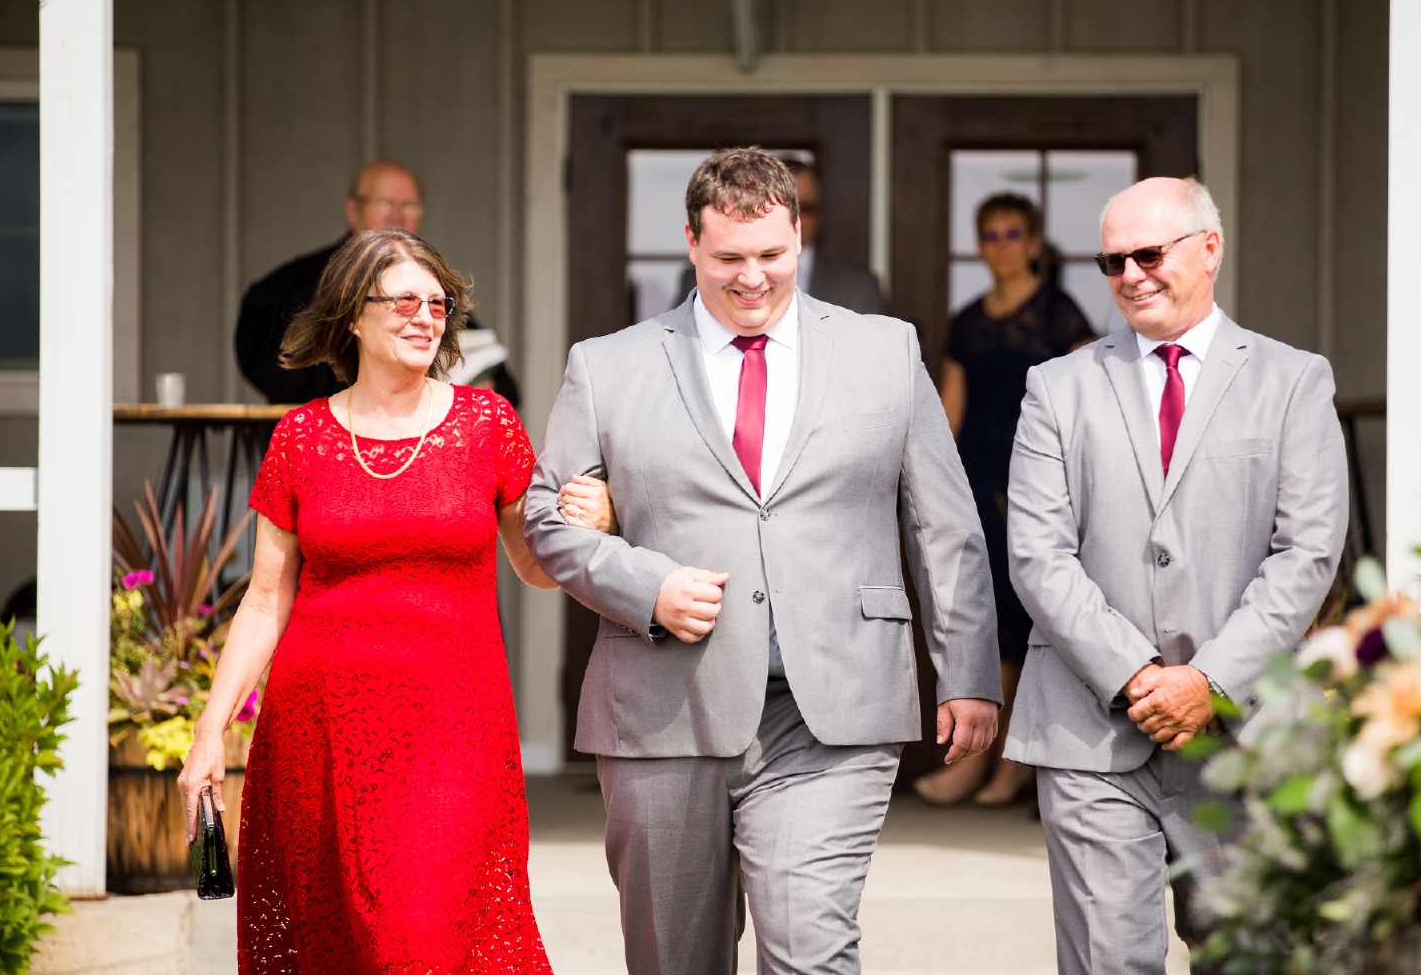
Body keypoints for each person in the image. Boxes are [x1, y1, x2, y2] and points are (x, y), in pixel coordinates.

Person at [524, 148, 1001, 975]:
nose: (753, 278)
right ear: (690, 243)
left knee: (812, 952)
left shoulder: (886, 351)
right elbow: (545, 520)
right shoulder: (608, 365)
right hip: (664, 707)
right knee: (676, 962)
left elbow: (944, 523)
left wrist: (965, 671)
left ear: (799, 236)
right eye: (729, 258)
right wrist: (648, 586)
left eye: (773, 256)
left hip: (835, 708)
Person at [178, 229, 612, 974]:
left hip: (453, 732)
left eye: (439, 304)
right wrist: (211, 729)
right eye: (404, 301)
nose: (426, 318)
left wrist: (588, 527)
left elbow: (533, 567)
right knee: (336, 942)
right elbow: (264, 598)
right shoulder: (301, 437)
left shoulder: (486, 425)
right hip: (318, 736)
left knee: (421, 935)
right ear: (353, 315)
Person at [1002, 177, 1349, 973]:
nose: (1131, 274)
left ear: (1209, 249)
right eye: (1112, 260)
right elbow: (1037, 554)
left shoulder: (1294, 381)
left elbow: (1308, 552)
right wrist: (1135, 675)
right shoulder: (1056, 387)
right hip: (1092, 729)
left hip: (1245, 733)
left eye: (1149, 254)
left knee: (1253, 957)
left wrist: (1211, 680)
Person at [914, 193, 1095, 808]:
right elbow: (948, 412)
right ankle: (979, 757)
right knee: (982, 618)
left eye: (1013, 234)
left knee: (1026, 622)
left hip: (1039, 481)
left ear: (1036, 244)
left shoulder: (1060, 312)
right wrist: (929, 485)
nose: (1001, 246)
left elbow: (1087, 403)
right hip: (976, 479)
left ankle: (1006, 764)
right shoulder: (967, 320)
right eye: (990, 235)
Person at [235, 159, 519, 405]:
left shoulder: (432, 289)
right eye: (385, 203)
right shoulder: (292, 285)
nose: (397, 215)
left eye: (408, 204)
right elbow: (268, 366)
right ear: (352, 209)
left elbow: (500, 382)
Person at [677, 158, 887, 315]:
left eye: (805, 208)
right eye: (728, 258)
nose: (752, 279)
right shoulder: (699, 278)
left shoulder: (860, 288)